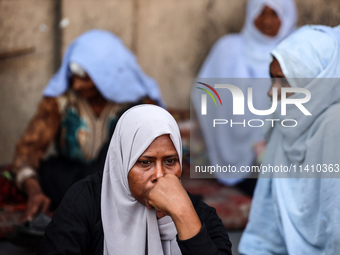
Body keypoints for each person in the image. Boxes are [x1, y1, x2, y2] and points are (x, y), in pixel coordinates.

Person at [10, 29, 164, 221]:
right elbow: (28, 152)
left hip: (121, 185)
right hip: (70, 178)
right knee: (51, 174)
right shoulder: (60, 101)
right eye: (73, 75)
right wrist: (34, 191)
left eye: (85, 77)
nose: (77, 85)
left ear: (106, 74)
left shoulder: (139, 105)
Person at [38, 104, 232, 255]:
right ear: (123, 162)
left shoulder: (198, 214)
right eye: (145, 162)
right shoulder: (84, 203)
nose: (159, 175)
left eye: (171, 161)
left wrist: (183, 215)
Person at [239, 24, 340, 254]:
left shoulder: (334, 125)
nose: (271, 91)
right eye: (272, 78)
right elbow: (266, 230)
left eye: (284, 81)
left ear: (316, 82)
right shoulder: (287, 123)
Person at [191, 0, 297, 195]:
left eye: (274, 14)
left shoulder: (296, 52)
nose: (266, 21)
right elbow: (203, 92)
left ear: (287, 17)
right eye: (260, 12)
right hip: (231, 144)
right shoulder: (228, 49)